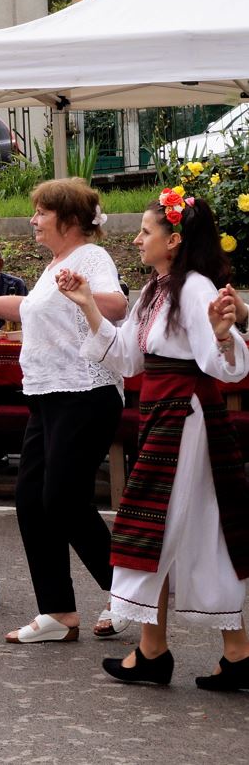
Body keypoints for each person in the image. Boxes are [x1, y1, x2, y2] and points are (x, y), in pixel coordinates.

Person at [58, 191, 249, 690]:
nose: (138, 239)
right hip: (168, 417)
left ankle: (159, 651)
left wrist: (225, 334)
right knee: (177, 530)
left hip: (184, 418)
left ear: (175, 239)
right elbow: (127, 358)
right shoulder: (158, 290)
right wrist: (87, 307)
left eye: (147, 231)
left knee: (159, 529)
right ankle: (210, 652)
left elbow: (218, 364)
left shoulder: (194, 289)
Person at [0, 179, 126, 644]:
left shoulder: (91, 259)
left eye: (41, 213)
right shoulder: (56, 265)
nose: (33, 221)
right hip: (47, 396)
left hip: (85, 393)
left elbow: (117, 304)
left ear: (68, 220)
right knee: (32, 501)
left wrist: (80, 294)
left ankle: (127, 595)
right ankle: (57, 612)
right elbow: (23, 307)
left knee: (62, 499)